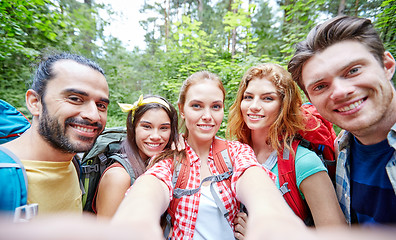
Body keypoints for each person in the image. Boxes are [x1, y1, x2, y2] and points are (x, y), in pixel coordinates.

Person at [111, 71, 305, 240]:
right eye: (196, 106)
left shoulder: (237, 151)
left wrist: (271, 216)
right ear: (182, 110)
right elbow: (152, 185)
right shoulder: (168, 158)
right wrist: (136, 218)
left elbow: (255, 180)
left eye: (215, 106)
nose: (207, 116)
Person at [288, 15, 396, 225]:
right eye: (320, 86)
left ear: (387, 65)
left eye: (353, 71)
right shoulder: (343, 150)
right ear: (311, 101)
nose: (340, 92)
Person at [0, 53, 109, 217]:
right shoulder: (4, 176)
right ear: (35, 102)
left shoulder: (73, 162)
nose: (94, 116)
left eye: (101, 105)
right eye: (75, 98)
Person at [94, 95, 179, 218]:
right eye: (147, 126)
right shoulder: (119, 176)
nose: (155, 136)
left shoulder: (162, 164)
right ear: (133, 128)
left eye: (164, 128)